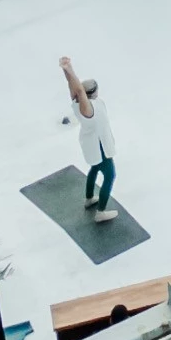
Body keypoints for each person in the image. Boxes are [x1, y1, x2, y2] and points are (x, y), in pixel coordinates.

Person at [61, 57, 116, 220]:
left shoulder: (78, 102)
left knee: (94, 168)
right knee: (110, 176)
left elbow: (73, 86)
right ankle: (101, 212)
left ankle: (89, 198)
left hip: (92, 145)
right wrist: (69, 70)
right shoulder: (88, 108)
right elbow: (78, 89)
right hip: (100, 146)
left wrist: (67, 69)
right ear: (93, 92)